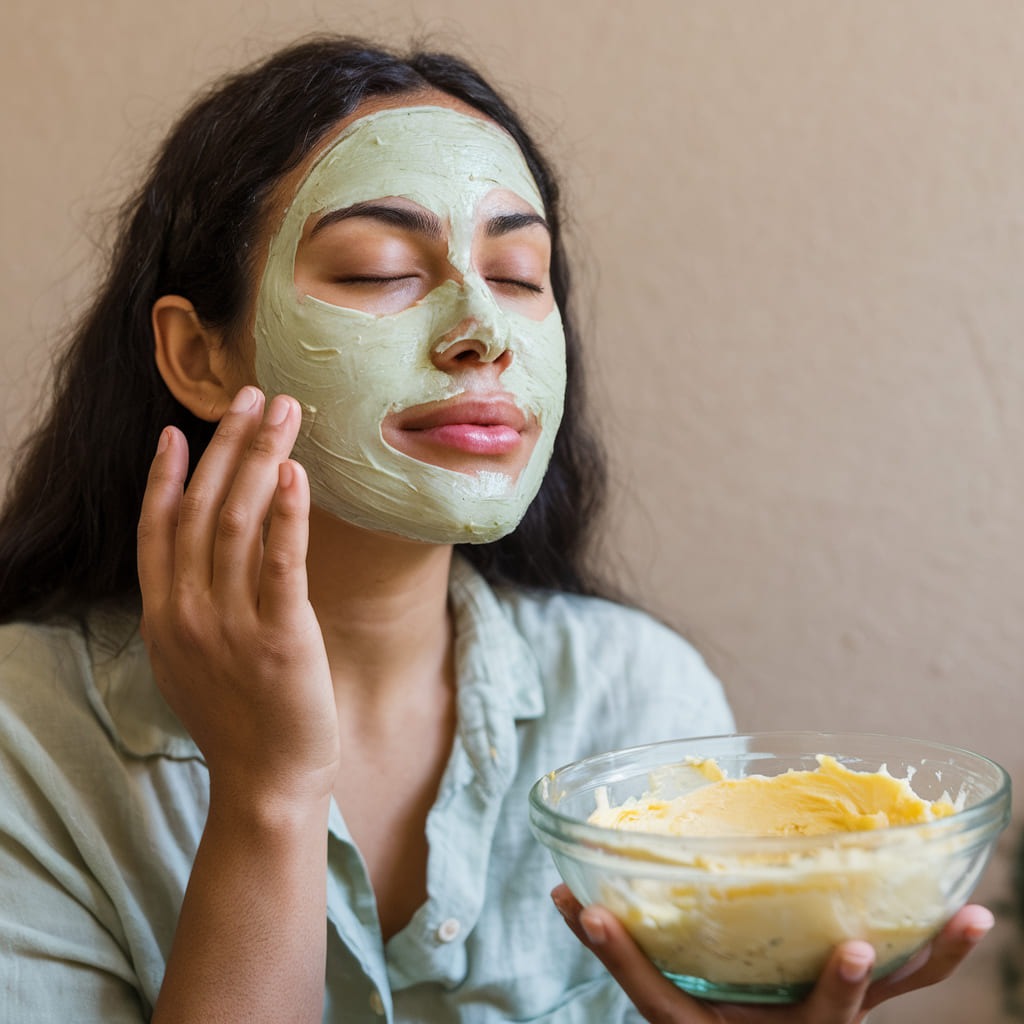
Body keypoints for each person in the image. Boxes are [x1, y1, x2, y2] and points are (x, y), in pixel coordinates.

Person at [0, 35, 993, 1024]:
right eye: (377, 267)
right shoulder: (26, 733)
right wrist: (268, 798)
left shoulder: (639, 706)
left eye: (520, 273)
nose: (483, 331)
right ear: (198, 355)